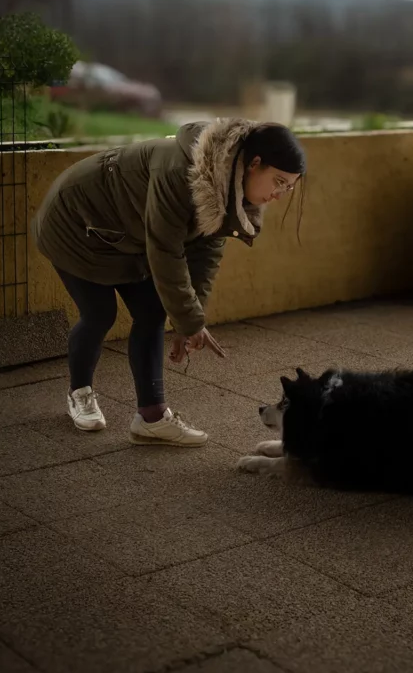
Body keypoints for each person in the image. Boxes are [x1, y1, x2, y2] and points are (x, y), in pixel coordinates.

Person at [32, 118, 306, 447]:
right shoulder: (180, 172)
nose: (278, 195)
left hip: (129, 235)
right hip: (76, 225)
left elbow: (206, 254)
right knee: (99, 313)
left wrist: (190, 319)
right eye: (278, 181)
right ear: (254, 164)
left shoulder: (232, 190)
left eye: (288, 187)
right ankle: (80, 393)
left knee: (152, 311)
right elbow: (165, 251)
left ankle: (151, 419)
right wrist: (189, 322)